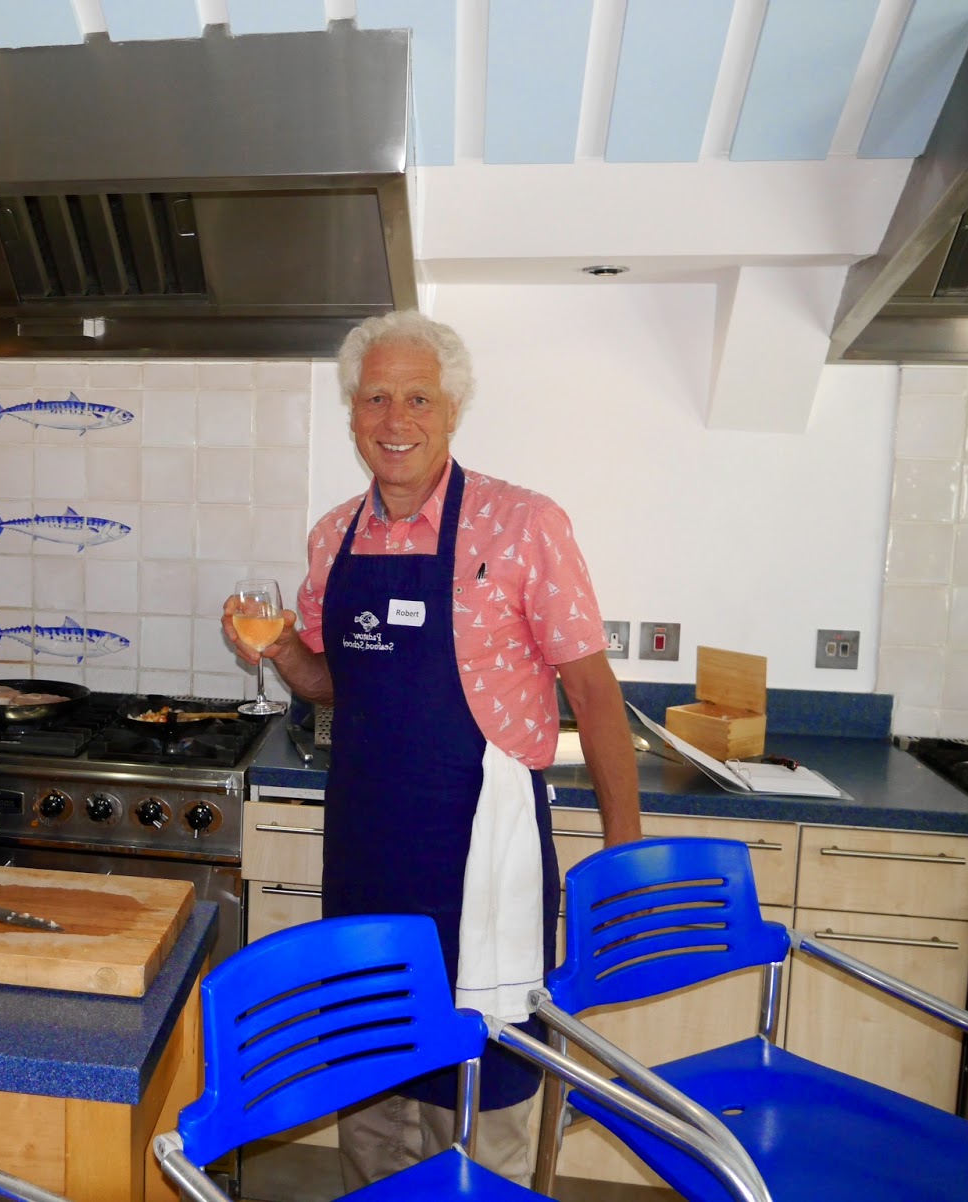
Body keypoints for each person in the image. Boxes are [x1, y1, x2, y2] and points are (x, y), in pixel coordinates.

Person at [223, 310, 641, 1189]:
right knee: (372, 1052)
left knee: (484, 1066)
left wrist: (624, 848)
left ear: (453, 411)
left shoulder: (523, 524)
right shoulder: (335, 536)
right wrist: (278, 650)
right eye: (375, 397)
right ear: (351, 415)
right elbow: (337, 681)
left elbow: (596, 695)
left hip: (481, 844)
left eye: (418, 397)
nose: (395, 418)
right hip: (368, 838)